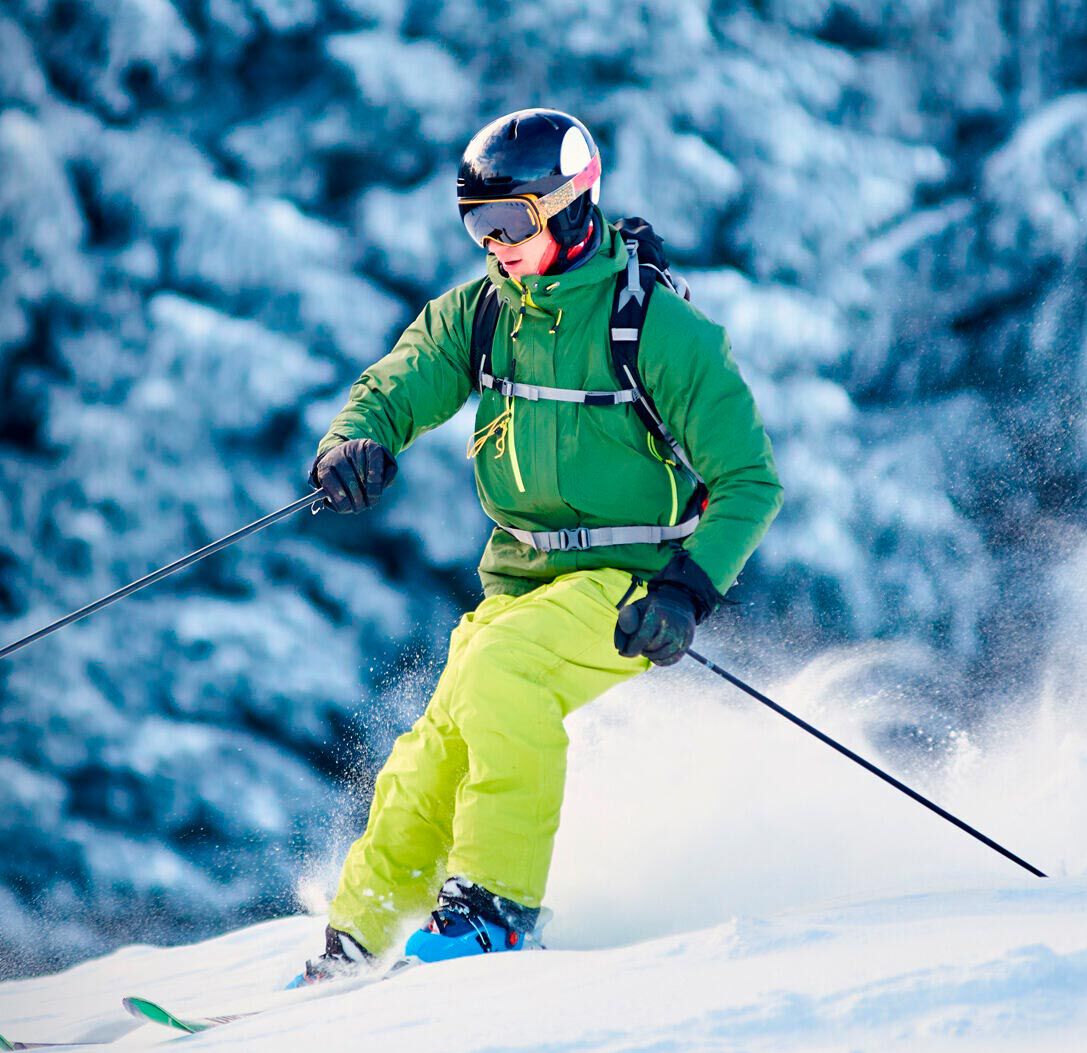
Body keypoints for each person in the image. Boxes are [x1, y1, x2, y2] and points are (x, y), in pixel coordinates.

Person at [294, 108, 783, 983]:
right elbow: (396, 383)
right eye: (477, 226)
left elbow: (749, 480)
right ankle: (358, 937)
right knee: (432, 747)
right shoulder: (486, 315)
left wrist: (686, 593)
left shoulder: (658, 331)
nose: (495, 244)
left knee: (502, 671)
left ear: (567, 204)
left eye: (510, 221)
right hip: (520, 585)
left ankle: (496, 911)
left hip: (628, 586)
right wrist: (353, 443)